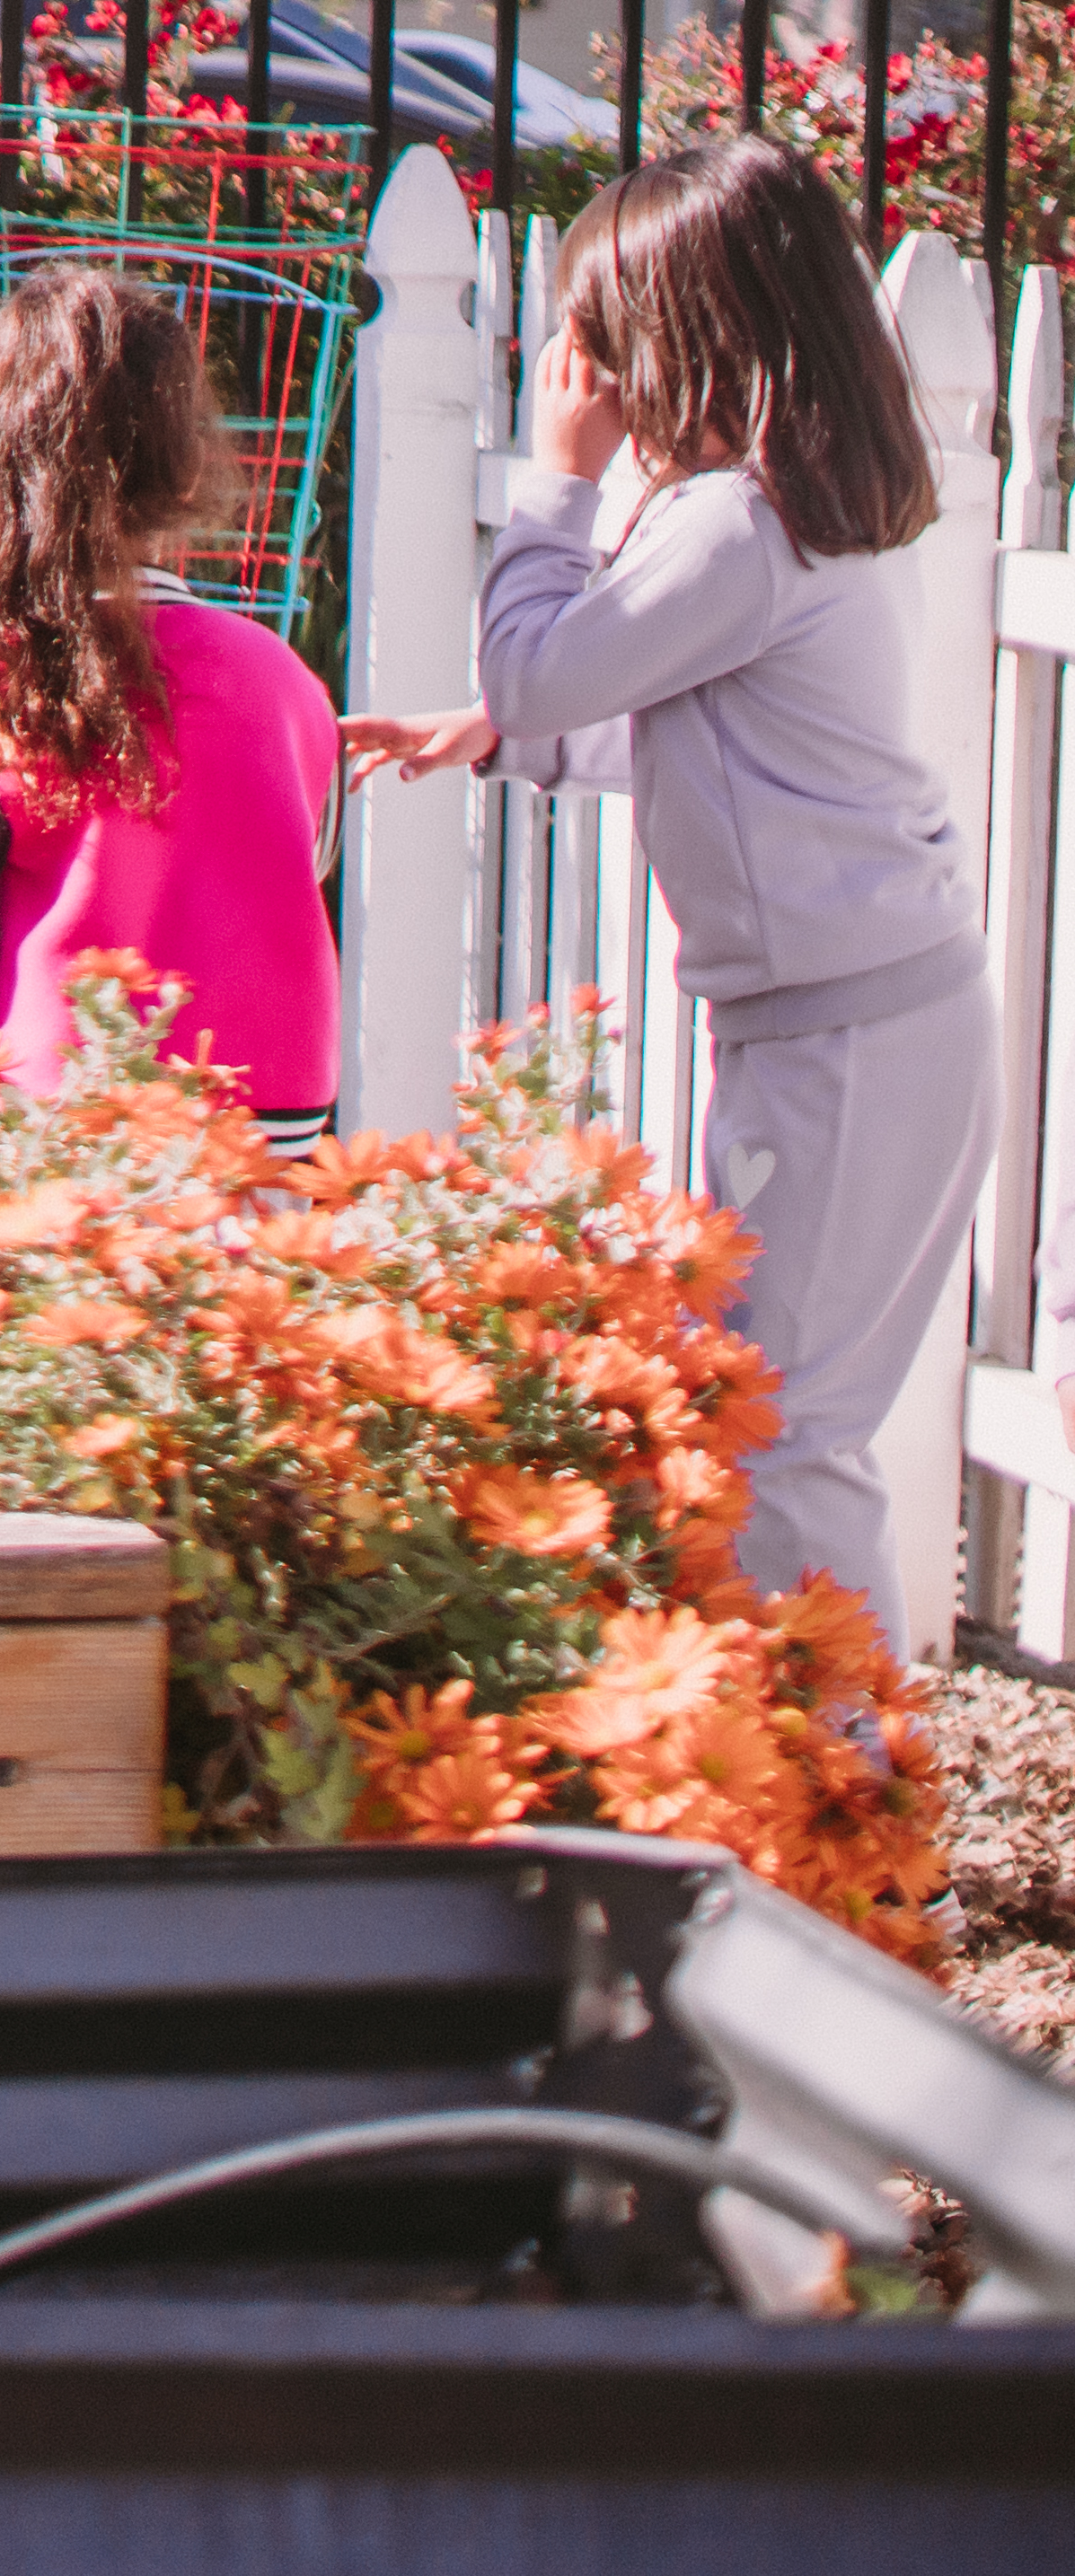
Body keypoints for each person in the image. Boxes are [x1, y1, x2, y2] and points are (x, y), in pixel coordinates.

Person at [350, 137, 974, 1633]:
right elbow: (714, 745)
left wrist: (556, 487)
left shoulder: (737, 524)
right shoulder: (785, 512)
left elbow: (543, 659)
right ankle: (827, 1793)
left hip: (841, 1041)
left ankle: (856, 1825)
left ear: (677, 335)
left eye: (605, 337)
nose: (592, 375)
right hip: (861, 1023)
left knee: (785, 1433)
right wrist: (508, 739)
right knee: (769, 1412)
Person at [0, 262, 339, 1111]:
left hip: (63, 1122)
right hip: (269, 1122)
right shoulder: (282, 680)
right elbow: (299, 863)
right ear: (180, 469)